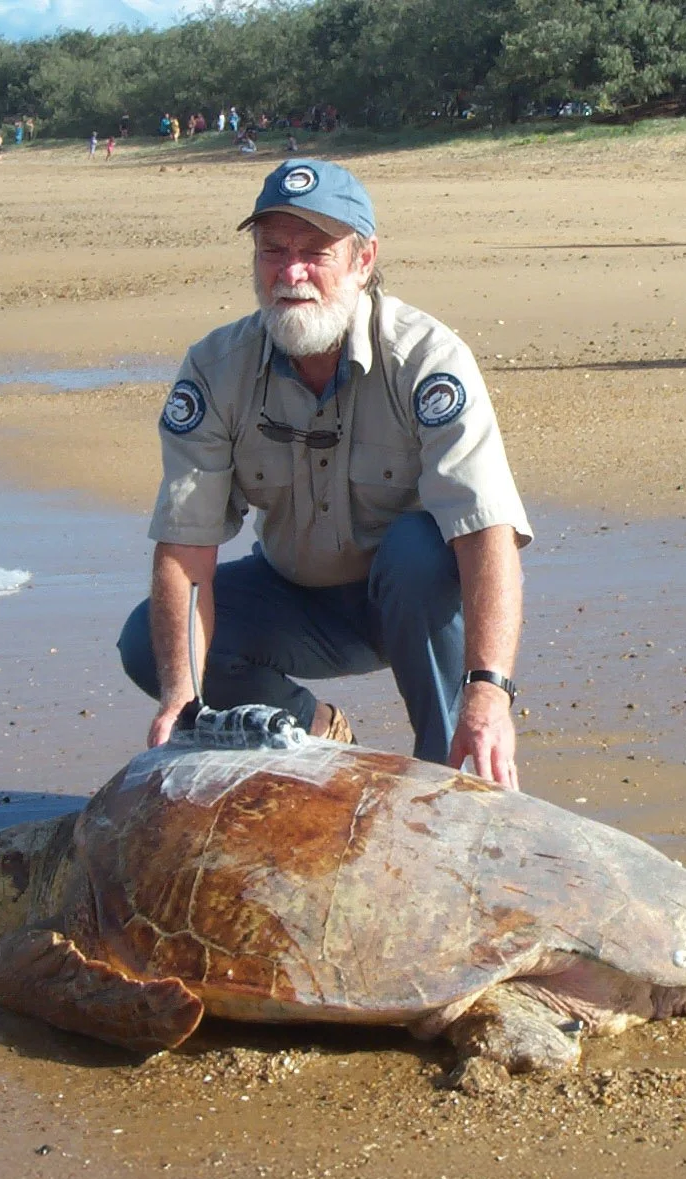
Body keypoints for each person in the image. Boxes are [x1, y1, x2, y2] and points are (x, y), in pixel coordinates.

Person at [117, 159, 531, 787]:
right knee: (151, 645)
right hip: (295, 600)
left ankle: (451, 772)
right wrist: (181, 697)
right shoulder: (214, 368)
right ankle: (312, 727)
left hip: (411, 601)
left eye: (316, 252)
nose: (291, 273)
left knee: (420, 548)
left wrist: (491, 693)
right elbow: (185, 545)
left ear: (364, 260)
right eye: (273, 250)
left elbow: (486, 531)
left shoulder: (427, 360)